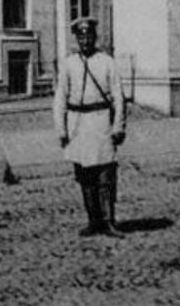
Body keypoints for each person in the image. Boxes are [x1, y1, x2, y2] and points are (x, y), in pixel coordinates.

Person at [53, 17, 126, 238]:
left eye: (89, 36)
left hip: (101, 121)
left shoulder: (107, 62)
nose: (85, 40)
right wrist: (61, 130)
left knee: (105, 175)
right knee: (85, 176)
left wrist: (118, 126)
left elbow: (118, 97)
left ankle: (109, 221)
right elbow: (60, 98)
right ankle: (93, 220)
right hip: (78, 124)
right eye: (81, 36)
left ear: (95, 37)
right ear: (76, 39)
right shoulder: (69, 64)